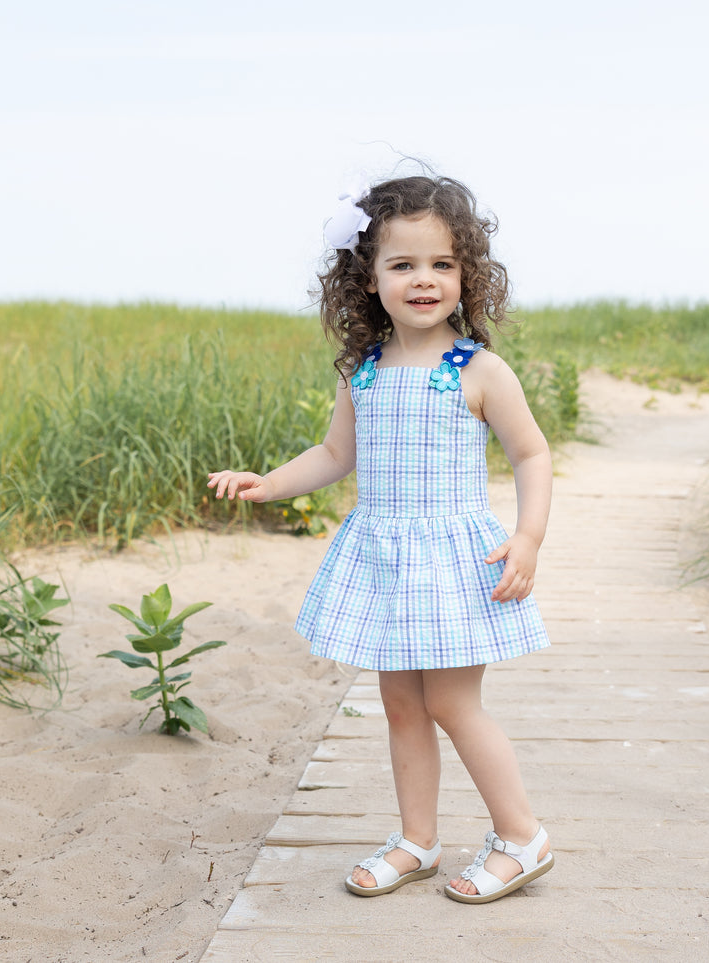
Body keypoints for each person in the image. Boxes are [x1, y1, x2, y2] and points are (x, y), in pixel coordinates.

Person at [206, 173, 554, 904]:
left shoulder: (479, 369)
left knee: (454, 705)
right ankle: (417, 839)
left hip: (453, 560)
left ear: (468, 274)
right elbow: (335, 455)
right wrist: (268, 482)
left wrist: (526, 537)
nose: (422, 280)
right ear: (367, 278)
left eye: (441, 265)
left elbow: (531, 453)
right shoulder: (362, 371)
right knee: (400, 705)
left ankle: (521, 835)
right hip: (386, 559)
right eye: (402, 265)